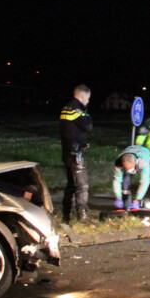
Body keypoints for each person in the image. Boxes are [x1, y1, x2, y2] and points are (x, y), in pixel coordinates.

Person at [59, 85, 93, 222]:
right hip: (75, 152)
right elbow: (88, 125)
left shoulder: (66, 108)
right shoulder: (76, 110)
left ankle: (67, 215)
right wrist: (87, 114)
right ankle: (82, 215)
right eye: (88, 98)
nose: (88, 101)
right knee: (82, 184)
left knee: (71, 184)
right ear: (81, 96)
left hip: (67, 151)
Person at [114, 143, 150, 211]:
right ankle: (126, 205)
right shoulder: (118, 163)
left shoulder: (143, 161)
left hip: (145, 156)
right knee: (125, 181)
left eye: (130, 168)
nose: (129, 171)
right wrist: (118, 197)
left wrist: (137, 199)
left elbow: (145, 181)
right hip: (130, 155)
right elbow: (116, 180)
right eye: (126, 169)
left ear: (135, 162)